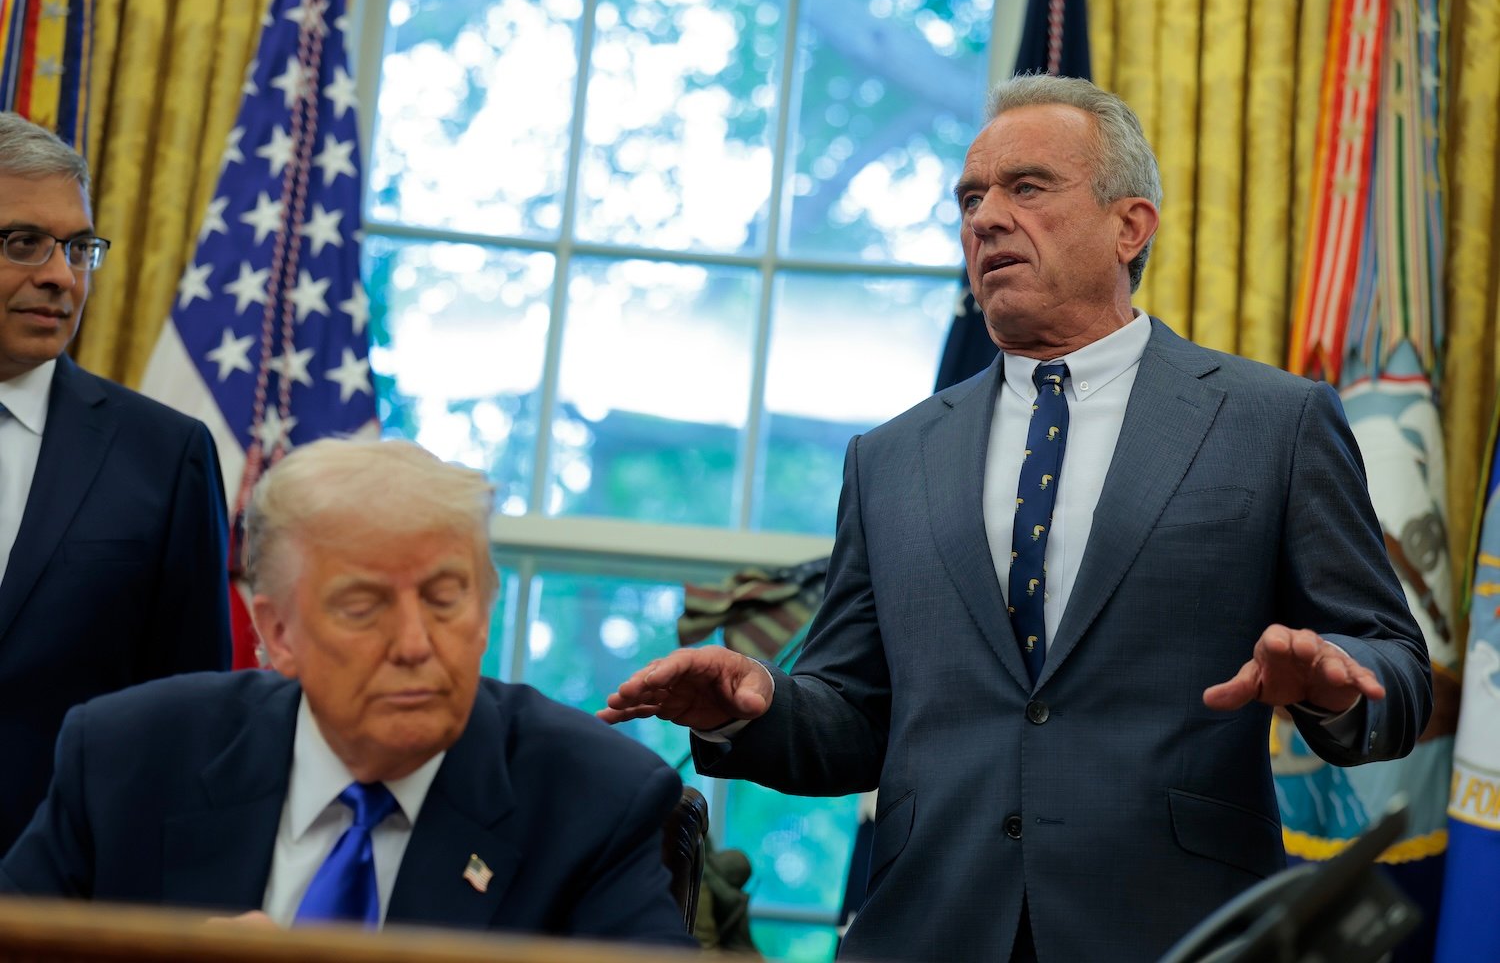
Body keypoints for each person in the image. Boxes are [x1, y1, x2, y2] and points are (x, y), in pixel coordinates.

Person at [600, 75, 1432, 962]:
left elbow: (1396, 662)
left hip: (1177, 929)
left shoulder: (1274, 421)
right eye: (971, 198)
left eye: (1026, 188)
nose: (985, 218)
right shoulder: (890, 457)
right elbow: (854, 718)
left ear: (1129, 225)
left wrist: (1339, 681)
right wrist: (753, 709)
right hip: (930, 929)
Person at [0, 438, 695, 947]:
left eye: (445, 598)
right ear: (278, 631)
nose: (415, 643)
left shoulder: (593, 799)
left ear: (485, 613)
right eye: (363, 606)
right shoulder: (130, 756)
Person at [0, 111, 231, 853]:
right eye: (24, 243)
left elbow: (192, 720)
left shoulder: (164, 456)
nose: (62, 276)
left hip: (60, 894)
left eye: (78, 248)